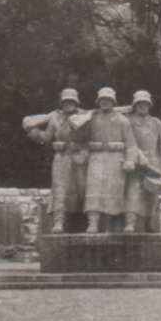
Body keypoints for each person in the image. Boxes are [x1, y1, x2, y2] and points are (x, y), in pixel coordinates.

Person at [22, 88, 89, 233]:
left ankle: (87, 222)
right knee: (60, 188)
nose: (68, 104)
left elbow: (93, 136)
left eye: (71, 101)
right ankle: (58, 222)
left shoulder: (85, 115)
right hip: (62, 157)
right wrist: (33, 131)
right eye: (65, 101)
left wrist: (84, 152)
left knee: (83, 188)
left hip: (80, 157)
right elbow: (47, 137)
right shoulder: (55, 117)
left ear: (76, 102)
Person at [72, 87, 134, 233]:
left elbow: (131, 144)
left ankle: (112, 224)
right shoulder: (91, 118)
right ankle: (92, 223)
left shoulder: (122, 120)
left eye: (108, 100)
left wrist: (130, 160)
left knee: (114, 191)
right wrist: (78, 125)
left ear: (113, 101)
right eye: (102, 100)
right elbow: (81, 138)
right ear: (98, 101)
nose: (105, 102)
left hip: (116, 158)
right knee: (93, 190)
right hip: (96, 157)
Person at [123, 89, 161, 233]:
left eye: (145, 103)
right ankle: (130, 223)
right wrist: (138, 155)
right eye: (139, 103)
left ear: (149, 104)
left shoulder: (156, 122)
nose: (142, 106)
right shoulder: (128, 121)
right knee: (133, 192)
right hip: (136, 162)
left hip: (154, 164)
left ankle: (150, 223)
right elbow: (128, 141)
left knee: (151, 196)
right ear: (134, 105)